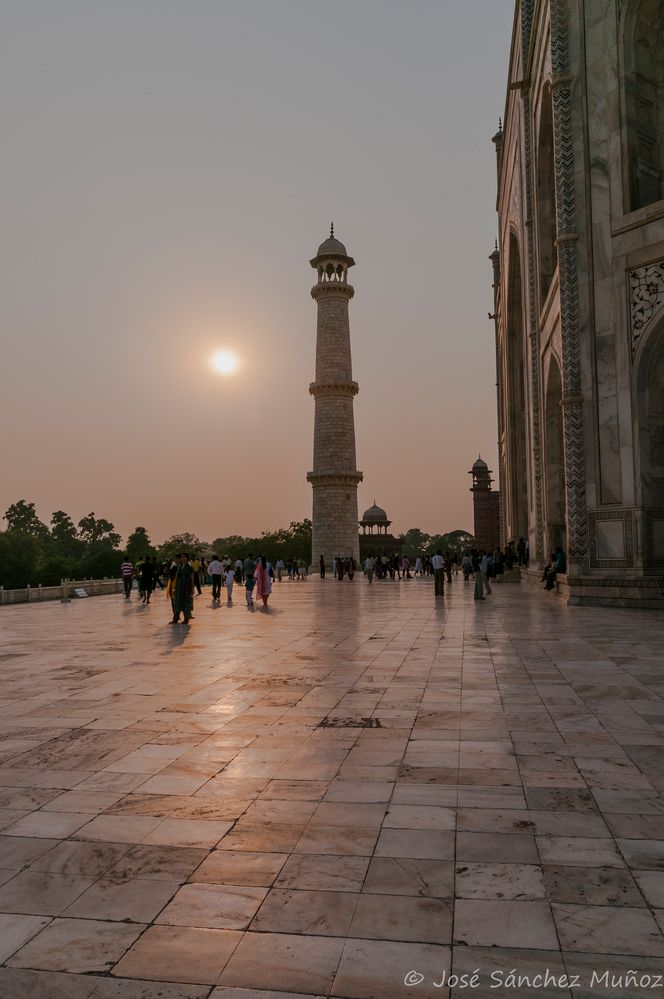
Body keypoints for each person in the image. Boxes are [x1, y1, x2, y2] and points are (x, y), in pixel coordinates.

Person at [172, 553, 194, 624]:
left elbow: (192, 579)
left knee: (185, 604)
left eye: (184, 557)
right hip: (179, 587)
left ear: (187, 558)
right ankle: (175, 619)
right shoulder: (179, 566)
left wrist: (192, 589)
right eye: (182, 557)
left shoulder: (189, 568)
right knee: (177, 603)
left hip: (186, 588)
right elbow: (176, 577)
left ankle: (186, 619)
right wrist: (174, 588)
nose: (183, 559)